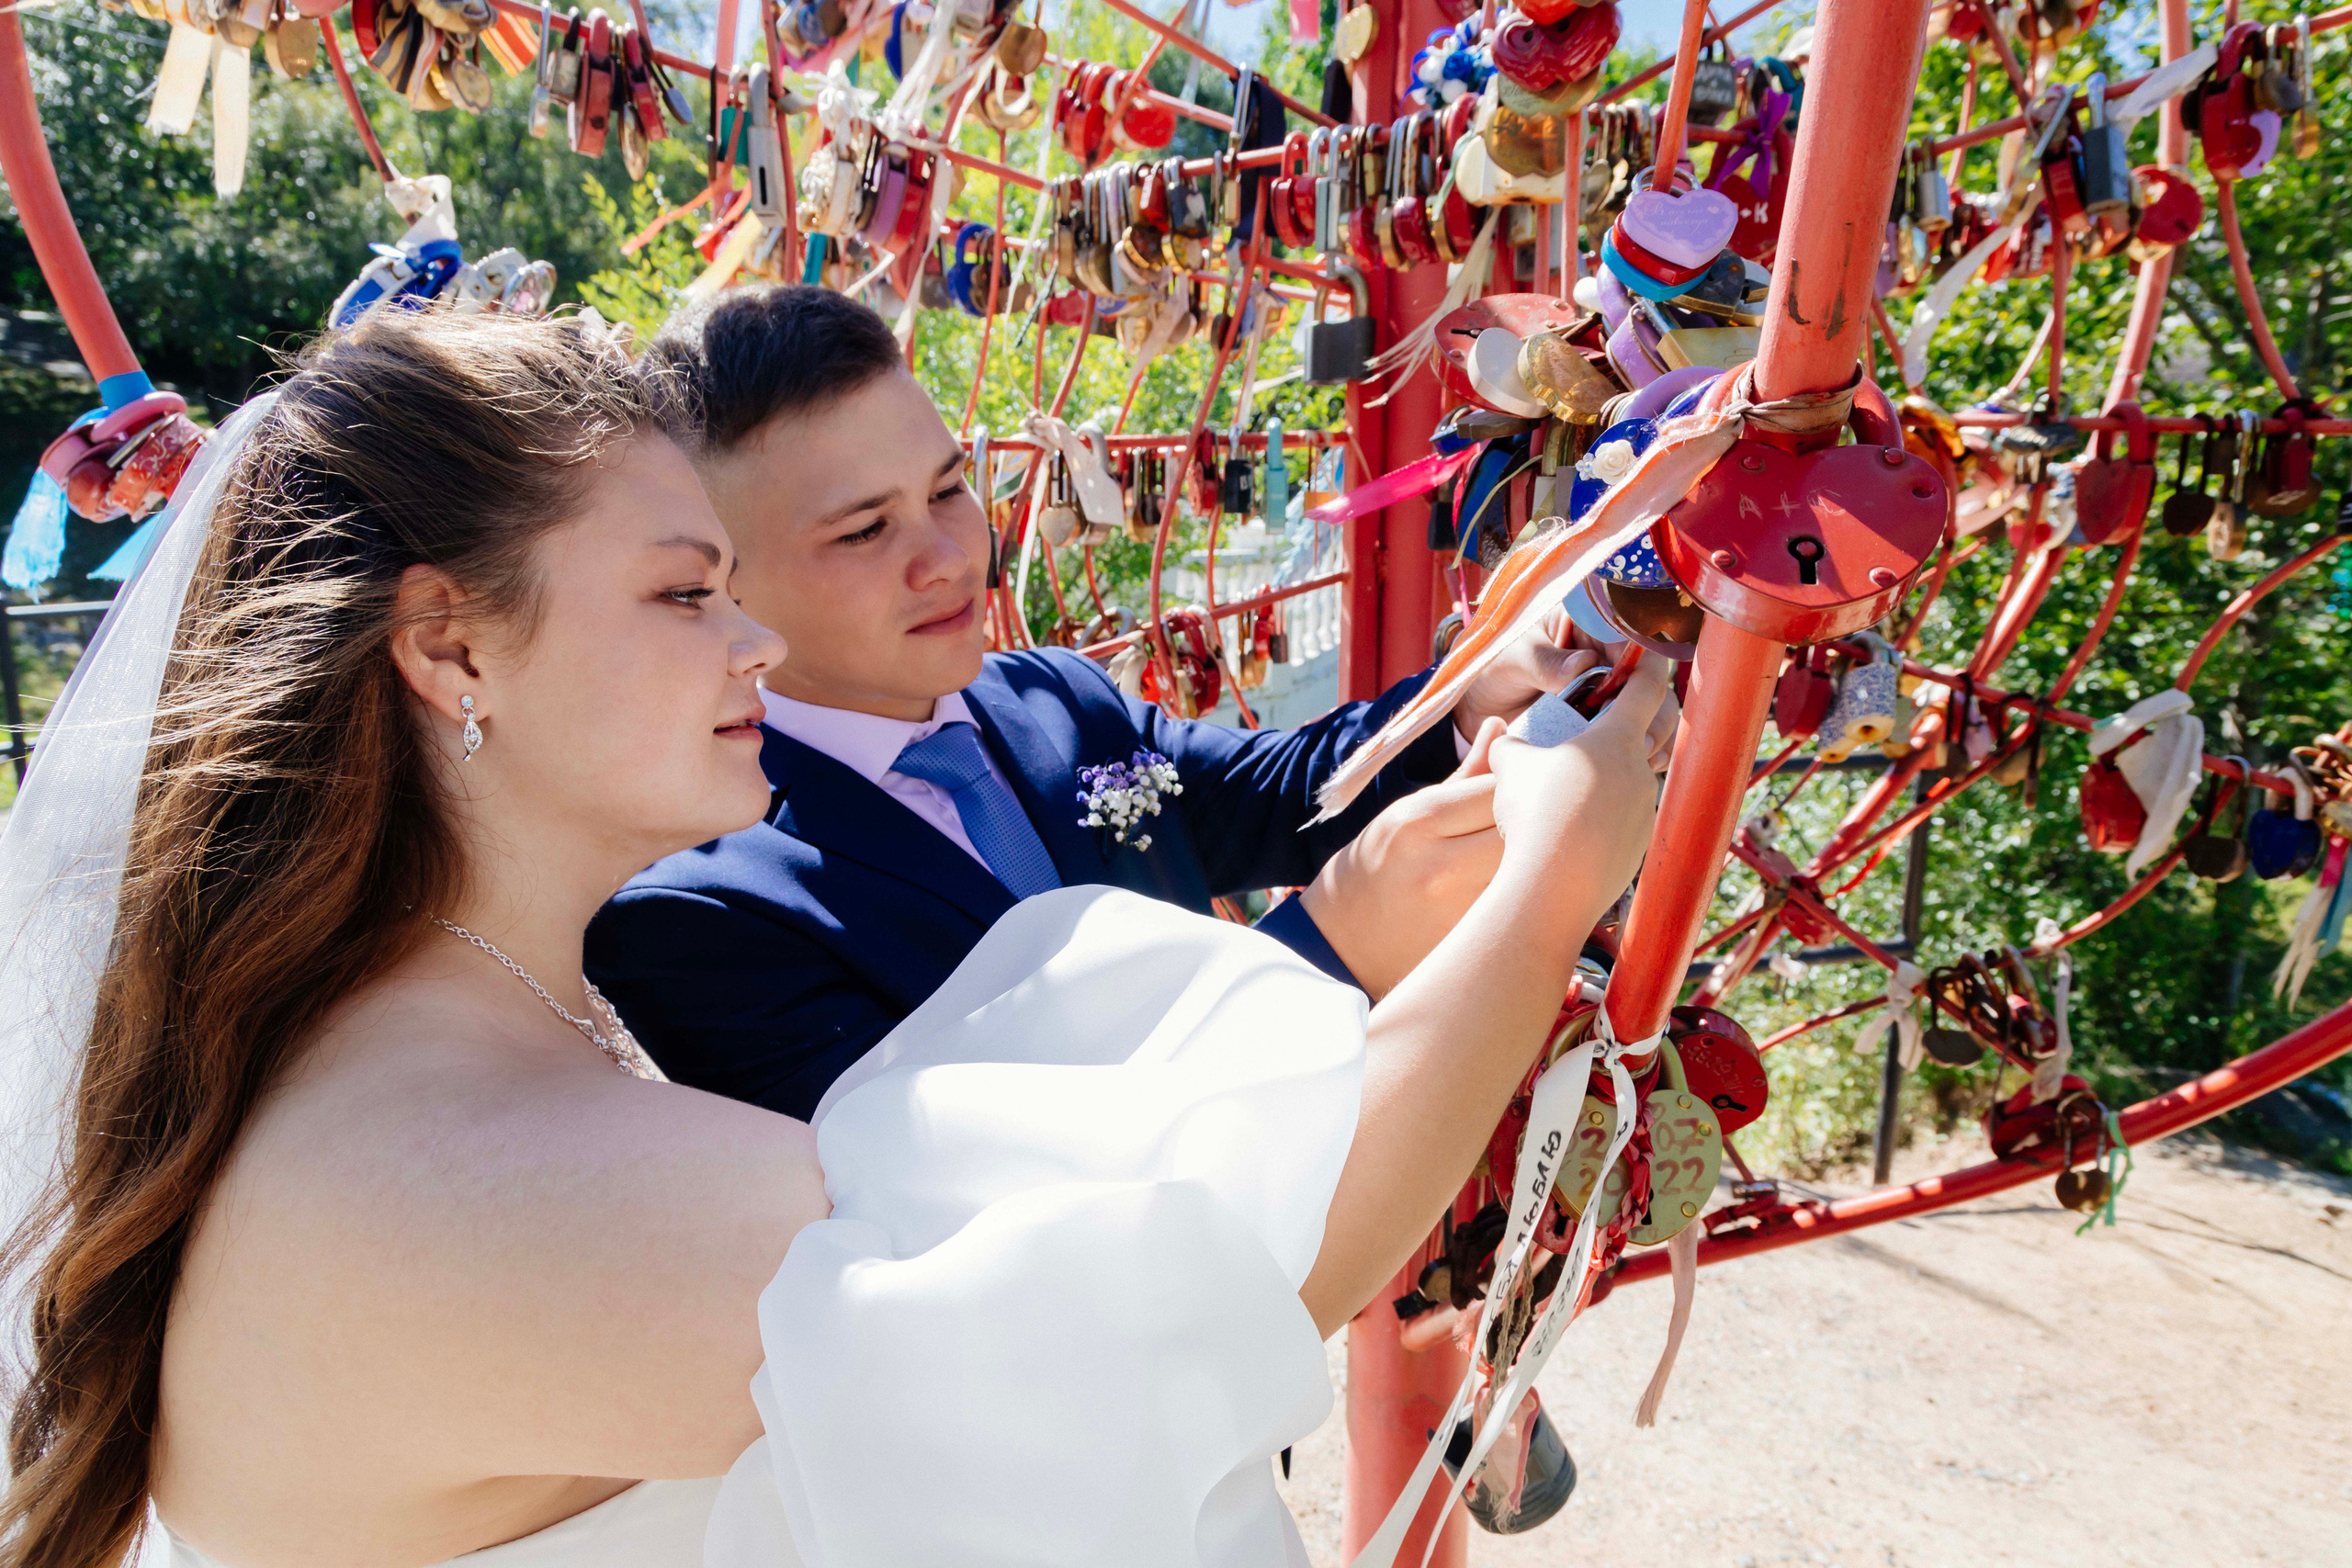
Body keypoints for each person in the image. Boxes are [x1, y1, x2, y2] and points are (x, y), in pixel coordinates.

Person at [0, 308, 1667, 1567]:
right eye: (681, 595)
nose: (752, 648)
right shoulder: (463, 1151)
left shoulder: (471, 1042)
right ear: (451, 650)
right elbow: (1183, 1288)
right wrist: (1545, 892)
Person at [587, 285, 1673, 1121]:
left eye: (950, 490)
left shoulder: (1048, 699)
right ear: (720, 575)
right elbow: (979, 1200)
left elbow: (1287, 792)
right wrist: (1334, 940)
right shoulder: (693, 908)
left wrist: (1483, 681)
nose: (951, 556)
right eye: (865, 531)